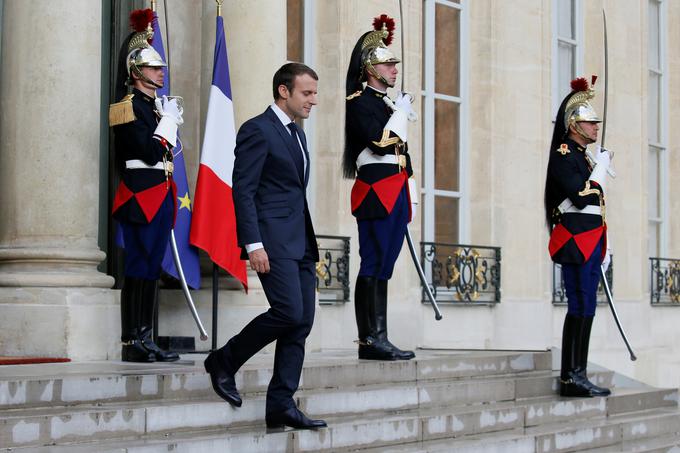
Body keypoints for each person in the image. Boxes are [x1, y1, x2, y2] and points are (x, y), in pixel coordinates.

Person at [204, 63, 326, 431]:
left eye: (315, 93)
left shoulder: (298, 135)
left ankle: (281, 404)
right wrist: (253, 243)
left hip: (300, 241)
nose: (313, 101)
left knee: (301, 322)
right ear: (283, 91)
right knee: (289, 311)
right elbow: (243, 190)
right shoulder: (257, 130)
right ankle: (224, 360)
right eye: (307, 93)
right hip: (271, 241)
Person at [109, 9, 182, 363]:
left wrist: (164, 119)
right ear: (137, 72)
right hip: (140, 196)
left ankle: (147, 337)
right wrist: (167, 124)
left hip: (161, 194)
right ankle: (131, 341)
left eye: (161, 68)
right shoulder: (127, 108)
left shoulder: (155, 108)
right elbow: (151, 153)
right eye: (155, 68)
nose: (161, 73)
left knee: (152, 266)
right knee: (138, 266)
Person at [343, 15, 417, 361]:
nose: (393, 69)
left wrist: (410, 189)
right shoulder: (360, 101)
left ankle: (381, 336)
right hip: (376, 192)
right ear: (371, 67)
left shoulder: (388, 103)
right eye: (388, 64)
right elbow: (381, 143)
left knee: (385, 264)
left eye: (393, 64)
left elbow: (403, 156)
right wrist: (399, 116)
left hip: (395, 189)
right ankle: (369, 339)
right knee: (373, 263)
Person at [544, 76, 613, 397]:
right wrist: (599, 171)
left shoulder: (583, 156)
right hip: (574, 241)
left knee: (588, 307)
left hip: (590, 240)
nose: (595, 127)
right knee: (578, 305)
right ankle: (570, 376)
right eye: (589, 123)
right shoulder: (564, 154)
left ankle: (579, 373)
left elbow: (596, 206)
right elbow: (583, 196)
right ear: (574, 125)